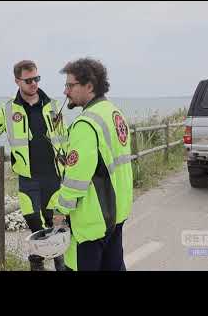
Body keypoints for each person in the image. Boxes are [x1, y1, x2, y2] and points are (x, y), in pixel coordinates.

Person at [0, 60, 68, 271]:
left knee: (56, 227)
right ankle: (37, 267)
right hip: (28, 180)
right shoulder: (9, 109)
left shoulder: (53, 105)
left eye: (36, 79)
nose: (33, 84)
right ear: (17, 81)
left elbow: (64, 138)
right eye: (28, 80)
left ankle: (61, 266)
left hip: (54, 177)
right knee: (35, 227)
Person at [53, 57, 133, 271]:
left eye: (70, 85)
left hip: (91, 221)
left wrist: (60, 210)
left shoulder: (85, 123)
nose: (65, 91)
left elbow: (76, 179)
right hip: (117, 213)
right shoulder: (114, 113)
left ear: (89, 86)